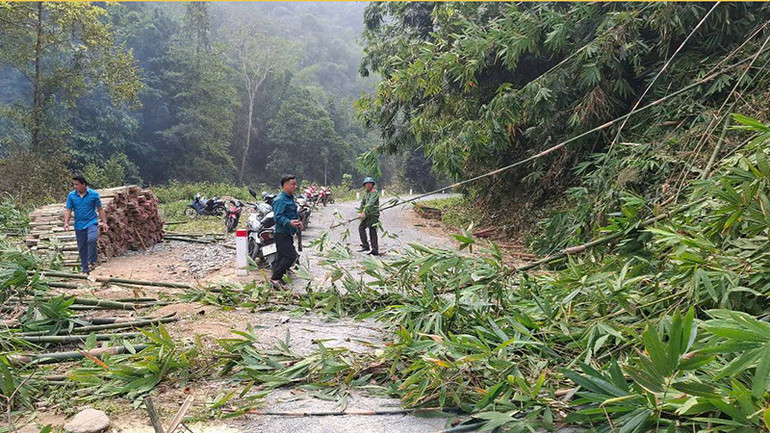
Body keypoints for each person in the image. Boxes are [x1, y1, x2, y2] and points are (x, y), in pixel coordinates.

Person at [63, 175, 108, 275]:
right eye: (74, 184)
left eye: (77, 184)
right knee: (82, 247)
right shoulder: (71, 196)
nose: (75, 186)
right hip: (79, 224)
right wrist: (66, 222)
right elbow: (68, 209)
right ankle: (85, 269)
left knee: (92, 239)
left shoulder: (94, 195)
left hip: (91, 222)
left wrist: (104, 223)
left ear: (84, 184)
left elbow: (100, 209)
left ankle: (91, 261)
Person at [271, 174, 304, 287]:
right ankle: (275, 279)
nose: (295, 186)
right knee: (291, 256)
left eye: (296, 184)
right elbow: (278, 217)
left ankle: (278, 278)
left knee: (281, 257)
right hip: (281, 233)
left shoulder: (290, 198)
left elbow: (292, 214)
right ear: (285, 185)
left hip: (288, 233)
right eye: (293, 184)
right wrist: (289, 223)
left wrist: (298, 223)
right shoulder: (280, 200)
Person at [357, 177, 380, 256]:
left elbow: (370, 204)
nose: (368, 185)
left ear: (372, 184)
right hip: (366, 214)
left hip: (373, 215)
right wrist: (360, 212)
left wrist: (364, 212)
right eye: (366, 184)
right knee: (361, 228)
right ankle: (365, 245)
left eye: (369, 183)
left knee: (372, 231)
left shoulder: (374, 193)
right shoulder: (366, 193)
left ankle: (374, 249)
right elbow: (362, 203)